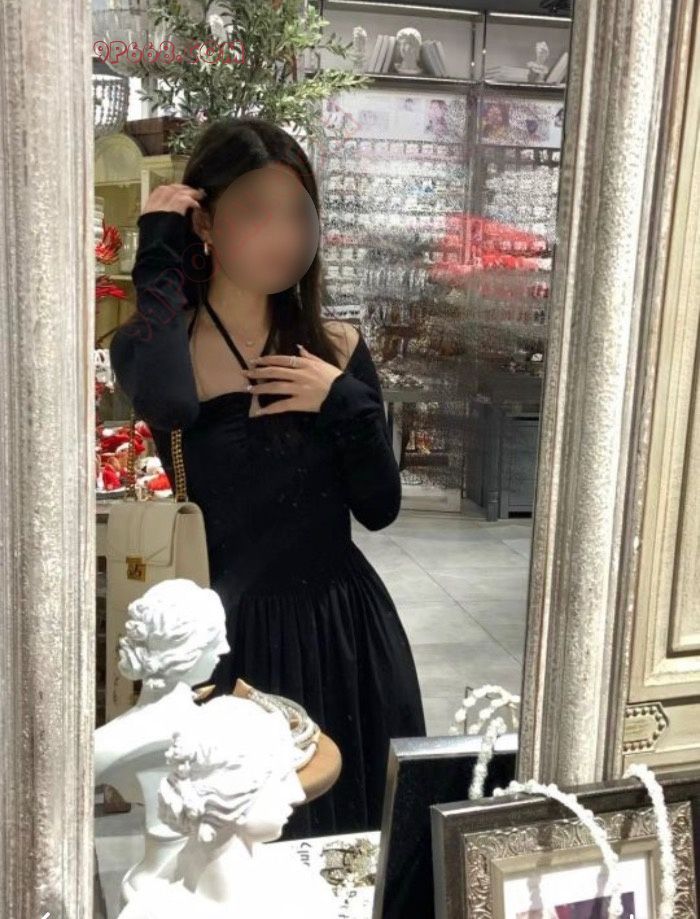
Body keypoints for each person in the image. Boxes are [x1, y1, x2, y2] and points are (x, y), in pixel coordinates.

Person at [109, 116, 426, 839]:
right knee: (238, 850)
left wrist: (344, 402)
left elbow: (380, 508)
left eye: (296, 214)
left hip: (345, 630)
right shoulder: (161, 349)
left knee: (353, 841)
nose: (281, 236)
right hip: (231, 642)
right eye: (255, 212)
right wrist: (158, 252)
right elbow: (169, 403)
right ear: (207, 224)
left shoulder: (335, 345)